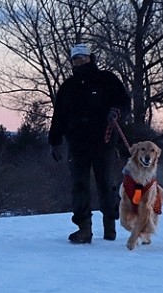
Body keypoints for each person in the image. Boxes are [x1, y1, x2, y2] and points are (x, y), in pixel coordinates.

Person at [48, 44, 130, 244]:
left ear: (90, 58)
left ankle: (110, 226)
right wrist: (55, 141)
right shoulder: (68, 87)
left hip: (104, 140)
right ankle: (84, 229)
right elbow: (58, 116)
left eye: (82, 58)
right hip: (77, 142)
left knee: (105, 183)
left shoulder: (107, 80)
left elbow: (124, 103)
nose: (79, 62)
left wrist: (116, 113)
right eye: (75, 59)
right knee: (79, 185)